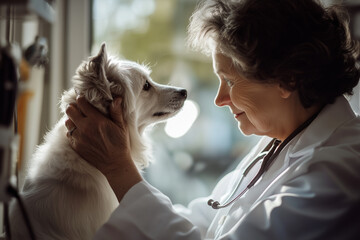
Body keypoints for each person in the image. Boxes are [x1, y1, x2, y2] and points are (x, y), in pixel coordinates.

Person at [65, 0, 360, 239]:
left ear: (288, 79)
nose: (220, 99)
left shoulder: (339, 173)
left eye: (230, 81)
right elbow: (204, 223)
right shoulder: (279, 142)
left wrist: (119, 169)